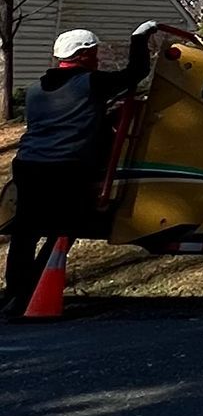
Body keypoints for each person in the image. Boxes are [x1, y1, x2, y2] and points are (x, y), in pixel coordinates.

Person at [3, 22, 162, 316]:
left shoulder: (36, 89)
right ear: (84, 55)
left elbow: (65, 120)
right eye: (95, 52)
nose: (98, 58)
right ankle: (34, 293)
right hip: (67, 170)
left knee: (26, 233)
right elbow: (135, 74)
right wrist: (140, 37)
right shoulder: (90, 83)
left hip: (28, 167)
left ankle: (15, 292)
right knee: (63, 230)